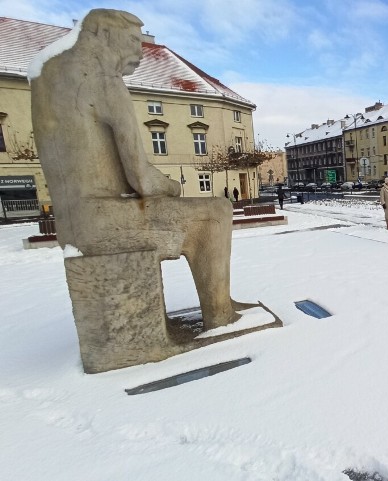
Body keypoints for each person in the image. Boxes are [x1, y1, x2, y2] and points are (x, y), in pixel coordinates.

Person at [29, 8, 249, 329]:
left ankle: (221, 304)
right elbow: (142, 179)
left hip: (75, 221)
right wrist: (173, 186)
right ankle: (219, 313)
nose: (139, 52)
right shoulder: (102, 80)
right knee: (216, 211)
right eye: (133, 41)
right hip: (102, 219)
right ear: (104, 35)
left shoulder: (49, 74)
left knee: (209, 211)